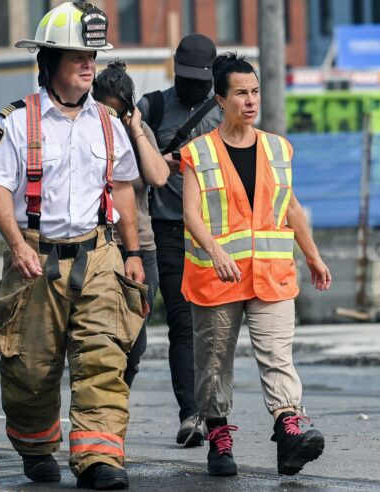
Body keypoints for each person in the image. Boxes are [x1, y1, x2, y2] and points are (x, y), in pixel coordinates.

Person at [0, 3, 147, 489]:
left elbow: (125, 188)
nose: (89, 65)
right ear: (48, 62)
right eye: (77, 56)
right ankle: (34, 442)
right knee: (29, 370)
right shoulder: (16, 120)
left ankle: (99, 460)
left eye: (91, 55)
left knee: (103, 359)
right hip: (35, 257)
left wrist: (132, 254)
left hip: (99, 255)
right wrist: (16, 245)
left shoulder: (108, 125)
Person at [180, 53, 332, 478]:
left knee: (277, 355)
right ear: (220, 99)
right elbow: (191, 214)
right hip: (217, 277)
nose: (250, 101)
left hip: (271, 273)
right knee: (213, 363)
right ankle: (218, 434)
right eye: (241, 93)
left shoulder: (278, 148)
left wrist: (314, 255)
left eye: (255, 92)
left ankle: (289, 430)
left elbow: (291, 206)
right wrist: (215, 251)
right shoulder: (199, 152)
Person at [136, 33, 222, 447]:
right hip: (167, 229)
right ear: (175, 71)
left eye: (199, 79)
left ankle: (215, 414)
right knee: (182, 325)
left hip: (215, 236)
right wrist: (159, 163)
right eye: (185, 77)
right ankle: (191, 415)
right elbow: (123, 160)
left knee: (216, 330)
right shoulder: (151, 107)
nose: (191, 86)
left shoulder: (224, 112)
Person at [92, 60, 169, 387]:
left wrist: (136, 129)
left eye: (118, 113)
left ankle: (121, 390)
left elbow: (158, 177)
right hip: (98, 244)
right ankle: (102, 398)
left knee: (136, 336)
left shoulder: (136, 132)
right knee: (100, 330)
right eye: (105, 111)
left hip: (140, 246)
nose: (112, 120)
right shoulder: (86, 131)